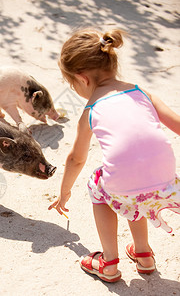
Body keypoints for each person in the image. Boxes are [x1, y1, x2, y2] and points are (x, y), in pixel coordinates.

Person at [49, 28, 180, 283]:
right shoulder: (143, 93)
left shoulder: (91, 109)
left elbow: (76, 159)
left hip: (125, 187)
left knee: (99, 184)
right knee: (134, 184)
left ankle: (109, 262)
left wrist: (64, 192)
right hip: (165, 183)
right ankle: (143, 255)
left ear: (82, 78)